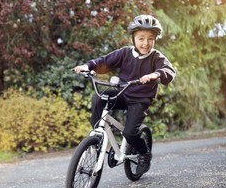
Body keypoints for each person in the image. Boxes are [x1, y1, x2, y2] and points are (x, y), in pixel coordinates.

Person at [73, 14, 176, 174]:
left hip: (140, 99)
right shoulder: (125, 53)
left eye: (150, 39)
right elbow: (104, 62)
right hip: (123, 93)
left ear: (155, 40)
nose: (145, 43)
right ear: (133, 38)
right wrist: (89, 66)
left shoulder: (156, 57)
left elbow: (168, 71)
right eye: (141, 38)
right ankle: (97, 137)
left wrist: (155, 75)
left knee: (129, 133)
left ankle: (144, 153)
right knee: (99, 97)